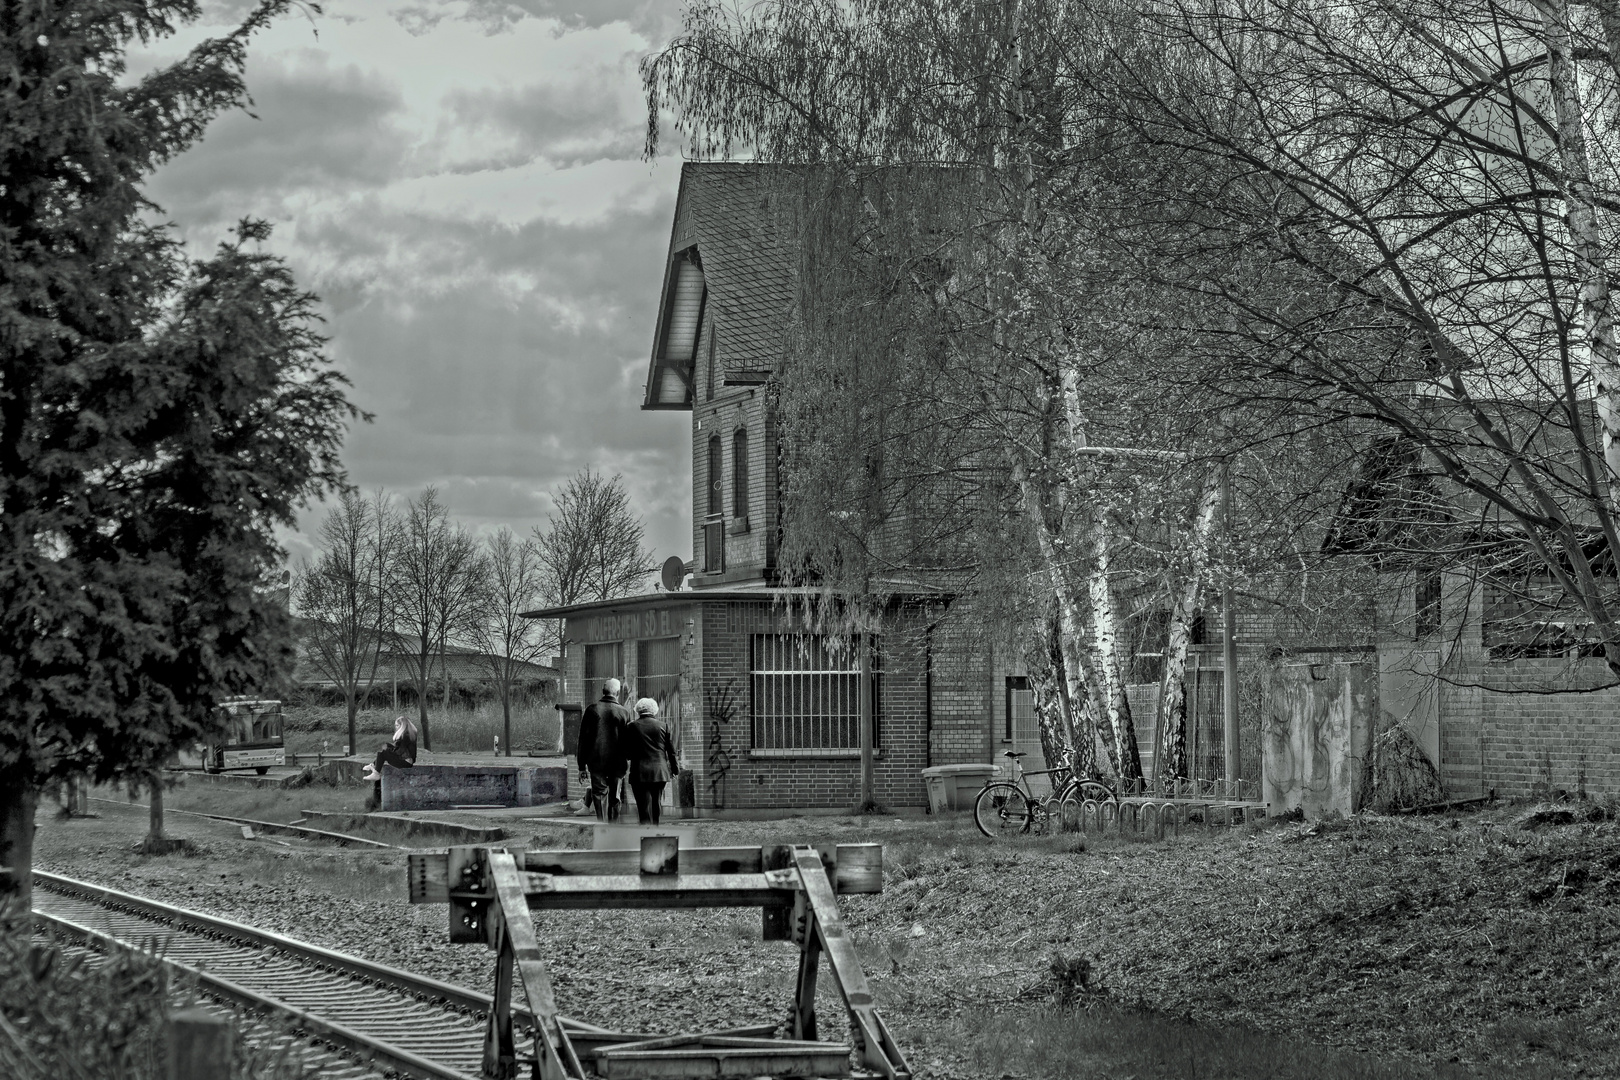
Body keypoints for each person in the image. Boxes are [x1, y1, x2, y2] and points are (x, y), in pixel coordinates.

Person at [578, 678, 632, 821]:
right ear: (618, 693)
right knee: (615, 795)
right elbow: (627, 741)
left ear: (603, 691)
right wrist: (627, 758)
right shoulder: (624, 713)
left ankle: (601, 824)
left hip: (596, 761)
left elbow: (583, 740)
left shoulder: (592, 710)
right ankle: (613, 824)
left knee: (599, 794)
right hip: (618, 762)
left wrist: (581, 766)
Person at [621, 697, 680, 825]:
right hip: (660, 770)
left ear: (638, 710)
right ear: (654, 710)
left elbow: (626, 751)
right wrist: (675, 769)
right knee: (656, 800)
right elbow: (671, 751)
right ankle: (655, 826)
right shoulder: (663, 726)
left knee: (642, 804)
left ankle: (645, 829)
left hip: (639, 770)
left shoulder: (631, 727)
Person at [363, 715, 417, 807]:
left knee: (383, 753)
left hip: (405, 762)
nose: (395, 727)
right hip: (405, 760)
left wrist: (389, 751)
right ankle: (374, 765)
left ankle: (376, 773)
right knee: (385, 747)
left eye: (397, 725)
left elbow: (400, 751)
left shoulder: (405, 736)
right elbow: (399, 749)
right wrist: (389, 748)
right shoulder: (407, 734)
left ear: (401, 726)